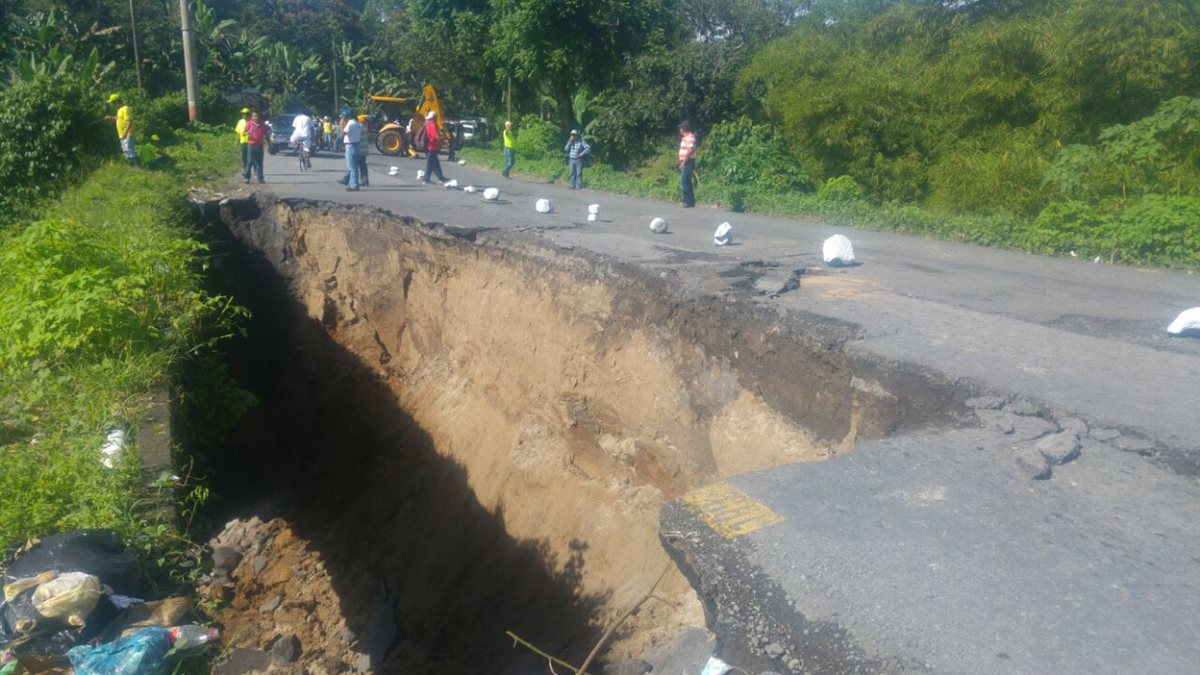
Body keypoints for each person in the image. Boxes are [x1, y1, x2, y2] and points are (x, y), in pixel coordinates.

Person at [106, 93, 137, 165]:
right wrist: (110, 117)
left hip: (127, 134)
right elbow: (119, 118)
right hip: (122, 135)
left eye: (112, 103)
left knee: (129, 150)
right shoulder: (119, 110)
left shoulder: (125, 109)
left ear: (116, 102)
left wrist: (125, 132)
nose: (111, 105)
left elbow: (130, 121)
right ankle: (133, 166)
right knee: (126, 151)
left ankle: (136, 166)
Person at [421, 110, 447, 184]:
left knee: (435, 163)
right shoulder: (431, 125)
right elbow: (436, 136)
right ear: (433, 117)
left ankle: (440, 177)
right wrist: (443, 141)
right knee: (430, 163)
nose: (436, 119)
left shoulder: (429, 124)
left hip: (431, 147)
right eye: (436, 117)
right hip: (431, 147)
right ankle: (426, 179)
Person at [341, 109, 363, 191]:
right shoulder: (358, 123)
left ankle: (354, 185)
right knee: (354, 165)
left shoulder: (350, 123)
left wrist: (342, 125)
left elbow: (343, 134)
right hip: (356, 144)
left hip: (350, 145)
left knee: (351, 167)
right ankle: (351, 182)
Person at [678, 120, 697, 208]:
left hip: (688, 161)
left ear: (684, 129)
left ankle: (686, 201)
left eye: (681, 128)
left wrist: (684, 161)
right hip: (686, 161)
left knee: (684, 181)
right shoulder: (686, 138)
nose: (680, 130)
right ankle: (690, 201)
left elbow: (690, 150)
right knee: (687, 181)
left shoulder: (689, 137)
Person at [243, 111, 266, 183]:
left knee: (259, 162)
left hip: (259, 145)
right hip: (251, 145)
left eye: (258, 116)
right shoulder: (249, 124)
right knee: (249, 161)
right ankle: (247, 178)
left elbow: (266, 134)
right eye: (255, 116)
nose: (256, 117)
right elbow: (243, 133)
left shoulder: (262, 124)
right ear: (252, 117)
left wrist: (269, 143)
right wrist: (248, 132)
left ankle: (260, 178)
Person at [356, 114, 370, 186]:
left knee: (354, 165)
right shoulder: (365, 127)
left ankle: (346, 179)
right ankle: (365, 180)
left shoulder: (360, 128)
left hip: (360, 149)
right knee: (363, 166)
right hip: (364, 150)